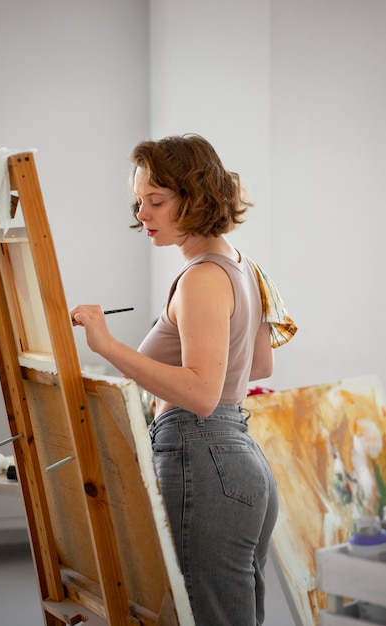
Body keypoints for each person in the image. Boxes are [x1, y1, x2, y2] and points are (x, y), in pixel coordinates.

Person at [70, 134, 297, 625]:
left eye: (156, 201)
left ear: (195, 195)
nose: (143, 214)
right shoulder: (241, 266)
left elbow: (199, 393)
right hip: (237, 458)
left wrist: (108, 346)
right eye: (139, 201)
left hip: (203, 459)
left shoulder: (201, 278)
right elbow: (258, 367)